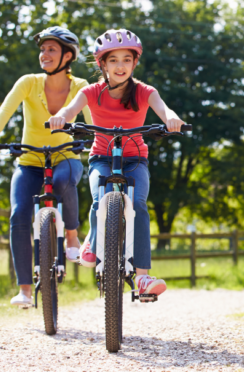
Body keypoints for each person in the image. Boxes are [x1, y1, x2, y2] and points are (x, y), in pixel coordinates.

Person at [47, 29, 186, 297]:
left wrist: (172, 119)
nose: (120, 66)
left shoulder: (145, 92)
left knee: (139, 205)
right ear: (102, 64)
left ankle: (143, 277)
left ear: (135, 63)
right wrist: (61, 117)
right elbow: (70, 109)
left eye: (126, 59)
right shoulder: (91, 92)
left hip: (135, 160)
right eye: (113, 60)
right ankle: (94, 240)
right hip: (101, 157)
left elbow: (164, 109)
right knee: (100, 197)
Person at [0, 27, 92, 306]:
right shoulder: (28, 82)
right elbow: (5, 110)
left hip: (65, 156)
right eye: (42, 49)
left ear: (68, 55)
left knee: (63, 182)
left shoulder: (80, 87)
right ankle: (25, 290)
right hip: (30, 161)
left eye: (51, 49)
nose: (44, 54)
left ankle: (71, 235)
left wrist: (98, 143)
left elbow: (92, 124)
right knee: (19, 214)